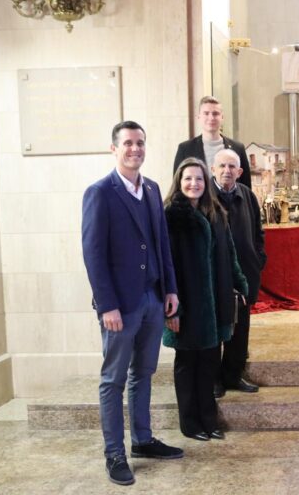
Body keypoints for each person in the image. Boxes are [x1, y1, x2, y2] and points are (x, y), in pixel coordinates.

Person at [82, 121, 183, 486]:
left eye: (140, 143)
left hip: (153, 299)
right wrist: (106, 305)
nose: (135, 149)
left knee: (143, 373)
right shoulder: (100, 193)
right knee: (113, 380)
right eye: (127, 143)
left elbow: (161, 244)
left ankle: (142, 439)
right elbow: (93, 253)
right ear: (114, 148)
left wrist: (170, 289)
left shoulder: (153, 189)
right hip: (120, 307)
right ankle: (114, 453)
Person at [163, 158, 248, 442]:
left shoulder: (216, 213)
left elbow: (231, 254)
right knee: (188, 365)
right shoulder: (170, 216)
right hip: (186, 304)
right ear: (179, 181)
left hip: (216, 303)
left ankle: (209, 421)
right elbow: (166, 266)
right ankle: (190, 423)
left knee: (210, 364)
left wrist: (239, 283)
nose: (194, 184)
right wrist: (170, 310)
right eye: (188, 178)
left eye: (199, 179)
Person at [210, 149, 267, 398]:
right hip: (215, 277)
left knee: (240, 329)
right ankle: (213, 379)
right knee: (215, 329)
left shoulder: (248, 196)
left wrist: (257, 260)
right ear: (213, 169)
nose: (227, 171)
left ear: (240, 172)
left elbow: (258, 232)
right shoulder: (204, 196)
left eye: (232, 166)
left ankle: (233, 375)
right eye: (222, 166)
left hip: (244, 274)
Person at [174, 95, 251, 188]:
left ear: (222, 117)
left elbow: (246, 187)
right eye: (206, 113)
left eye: (215, 113)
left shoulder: (238, 148)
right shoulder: (185, 149)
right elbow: (177, 186)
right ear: (199, 117)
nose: (211, 118)